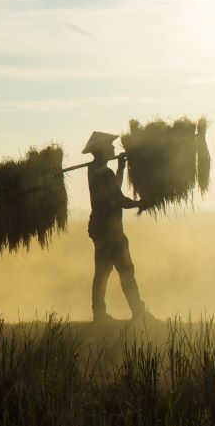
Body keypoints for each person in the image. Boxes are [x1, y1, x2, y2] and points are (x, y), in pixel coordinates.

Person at [83, 130, 148, 321]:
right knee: (126, 270)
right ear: (102, 149)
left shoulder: (96, 170)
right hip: (109, 232)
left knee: (102, 273)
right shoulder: (102, 173)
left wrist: (120, 168)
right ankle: (138, 312)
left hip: (101, 230)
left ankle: (99, 313)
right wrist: (138, 203)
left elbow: (114, 189)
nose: (113, 147)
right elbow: (118, 199)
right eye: (110, 145)